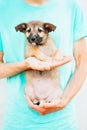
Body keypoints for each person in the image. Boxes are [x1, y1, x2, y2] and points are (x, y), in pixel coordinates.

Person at [0, 0, 87, 130]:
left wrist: (63, 101)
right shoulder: (2, 8)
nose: (34, 36)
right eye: (29, 31)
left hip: (62, 123)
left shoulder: (71, 6)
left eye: (39, 31)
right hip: (17, 122)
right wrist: (26, 64)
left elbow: (83, 62)